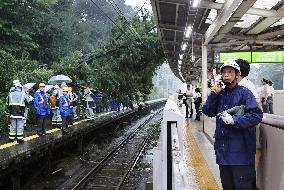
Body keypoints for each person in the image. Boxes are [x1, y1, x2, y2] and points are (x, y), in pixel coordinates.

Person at [202, 60, 263, 190]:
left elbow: (256, 115)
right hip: (223, 155)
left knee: (243, 187)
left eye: (230, 72)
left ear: (237, 74)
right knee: (227, 187)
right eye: (223, 72)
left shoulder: (245, 93)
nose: (226, 75)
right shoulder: (220, 94)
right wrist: (214, 92)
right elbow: (207, 110)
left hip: (241, 155)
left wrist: (235, 121)